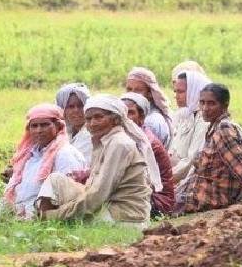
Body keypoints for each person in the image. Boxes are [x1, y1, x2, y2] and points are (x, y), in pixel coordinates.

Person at [36, 95, 154, 227]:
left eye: (98, 117)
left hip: (123, 217)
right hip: (108, 206)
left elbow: (99, 194)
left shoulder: (119, 143)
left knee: (68, 211)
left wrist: (59, 214)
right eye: (88, 119)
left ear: (115, 120)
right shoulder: (103, 141)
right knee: (55, 180)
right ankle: (44, 221)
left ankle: (47, 221)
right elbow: (92, 189)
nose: (92, 124)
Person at [179, 84, 242, 214]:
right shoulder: (214, 127)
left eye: (211, 104)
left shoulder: (224, 129)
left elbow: (240, 166)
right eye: (202, 103)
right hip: (203, 194)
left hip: (213, 198)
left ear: (224, 106)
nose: (205, 108)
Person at [2, 104, 87, 218]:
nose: (39, 130)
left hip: (45, 217)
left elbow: (68, 195)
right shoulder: (29, 154)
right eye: (34, 126)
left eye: (44, 125)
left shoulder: (65, 153)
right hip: (20, 216)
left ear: (57, 126)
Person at [122, 93, 177, 216]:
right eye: (122, 113)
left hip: (159, 201)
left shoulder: (146, 143)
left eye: (130, 113)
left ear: (141, 117)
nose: (125, 117)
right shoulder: (131, 137)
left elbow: (141, 183)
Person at [169, 69, 211, 182]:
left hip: (189, 181)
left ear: (195, 91)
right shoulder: (186, 114)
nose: (176, 96)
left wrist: (166, 179)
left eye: (181, 92)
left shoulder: (204, 120)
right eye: (175, 92)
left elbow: (192, 159)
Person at [124, 67, 173, 148]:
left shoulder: (151, 121)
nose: (131, 94)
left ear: (150, 93)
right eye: (129, 89)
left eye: (138, 90)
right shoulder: (137, 114)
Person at [56, 83, 94, 160]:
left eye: (80, 106)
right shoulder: (63, 133)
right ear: (63, 110)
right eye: (70, 107)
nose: (76, 110)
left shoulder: (92, 134)